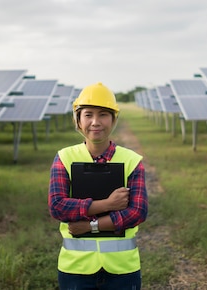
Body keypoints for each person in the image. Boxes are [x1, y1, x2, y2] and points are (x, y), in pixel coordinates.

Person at [48, 82, 148, 290]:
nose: (95, 122)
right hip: (76, 269)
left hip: (122, 269)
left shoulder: (131, 161)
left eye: (103, 114)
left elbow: (137, 213)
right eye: (88, 115)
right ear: (78, 119)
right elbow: (58, 206)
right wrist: (107, 204)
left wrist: (89, 225)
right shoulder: (64, 158)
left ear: (113, 119)